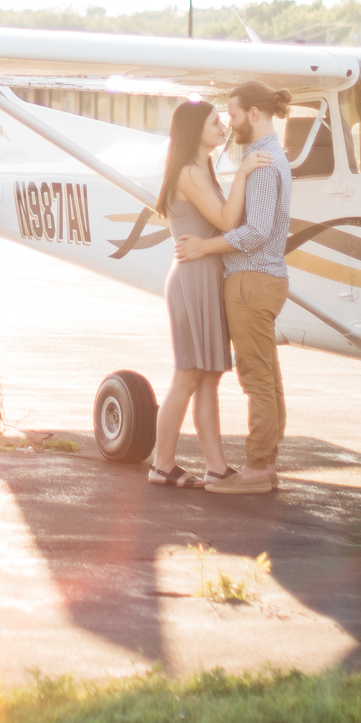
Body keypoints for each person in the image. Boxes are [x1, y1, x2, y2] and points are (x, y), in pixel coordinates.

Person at [122, 100, 248, 489]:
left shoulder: (200, 169)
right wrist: (244, 172)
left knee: (207, 377)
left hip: (204, 276)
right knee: (188, 375)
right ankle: (162, 464)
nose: (222, 125)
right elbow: (228, 220)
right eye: (215, 121)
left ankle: (216, 466)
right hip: (193, 279)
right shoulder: (191, 173)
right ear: (196, 129)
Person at [175, 80, 292, 494]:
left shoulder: (259, 163)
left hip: (249, 280)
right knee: (269, 378)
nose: (230, 122)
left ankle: (257, 470)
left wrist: (206, 244)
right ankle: (267, 462)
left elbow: (256, 230)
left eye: (235, 114)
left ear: (254, 114)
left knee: (256, 380)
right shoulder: (274, 157)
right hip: (268, 278)